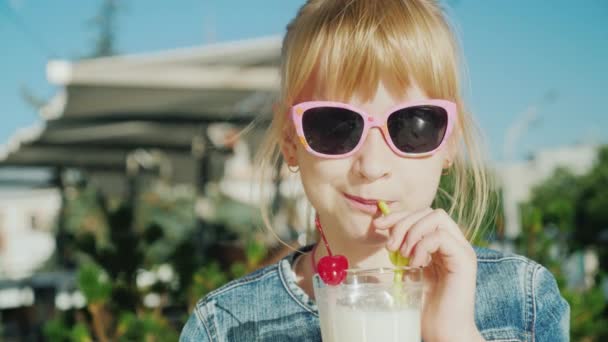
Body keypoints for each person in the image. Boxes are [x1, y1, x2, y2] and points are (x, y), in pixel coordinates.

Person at [180, 0, 570, 341]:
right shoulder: (225, 325)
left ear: (449, 142)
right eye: (334, 126)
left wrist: (454, 335)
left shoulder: (522, 299)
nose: (372, 166)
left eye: (412, 126)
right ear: (290, 141)